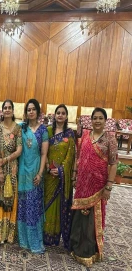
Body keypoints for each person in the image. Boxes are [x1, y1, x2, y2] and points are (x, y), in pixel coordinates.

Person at [70, 107, 117, 267]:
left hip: (98, 185)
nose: (97, 121)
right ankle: (76, 247)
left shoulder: (110, 139)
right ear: (91, 120)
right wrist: (75, 175)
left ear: (105, 121)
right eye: (95, 118)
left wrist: (109, 187)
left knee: (92, 219)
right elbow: (79, 157)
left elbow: (113, 163)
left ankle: (89, 252)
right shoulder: (85, 135)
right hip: (83, 183)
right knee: (80, 215)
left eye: (100, 118)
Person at [17, 99, 48, 254]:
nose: (31, 112)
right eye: (28, 110)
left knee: (33, 206)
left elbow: (43, 154)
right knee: (23, 206)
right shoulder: (21, 128)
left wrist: (40, 174)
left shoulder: (43, 130)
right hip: (22, 171)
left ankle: (35, 240)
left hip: (35, 171)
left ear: (38, 111)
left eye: (33, 109)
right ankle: (23, 239)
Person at [0, 100, 22, 244]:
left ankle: (8, 234)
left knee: (9, 198)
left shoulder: (18, 128)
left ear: (13, 111)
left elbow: (19, 150)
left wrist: (6, 160)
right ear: (2, 111)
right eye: (5, 108)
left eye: (9, 108)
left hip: (12, 168)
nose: (7, 110)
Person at [43, 104, 75, 248]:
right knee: (46, 204)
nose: (60, 115)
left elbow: (70, 156)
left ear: (66, 116)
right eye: (58, 113)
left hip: (61, 177)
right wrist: (48, 167)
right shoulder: (48, 131)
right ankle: (44, 233)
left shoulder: (70, 133)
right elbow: (43, 151)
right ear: (54, 115)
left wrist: (61, 170)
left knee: (57, 205)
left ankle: (54, 236)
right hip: (48, 175)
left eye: (63, 113)